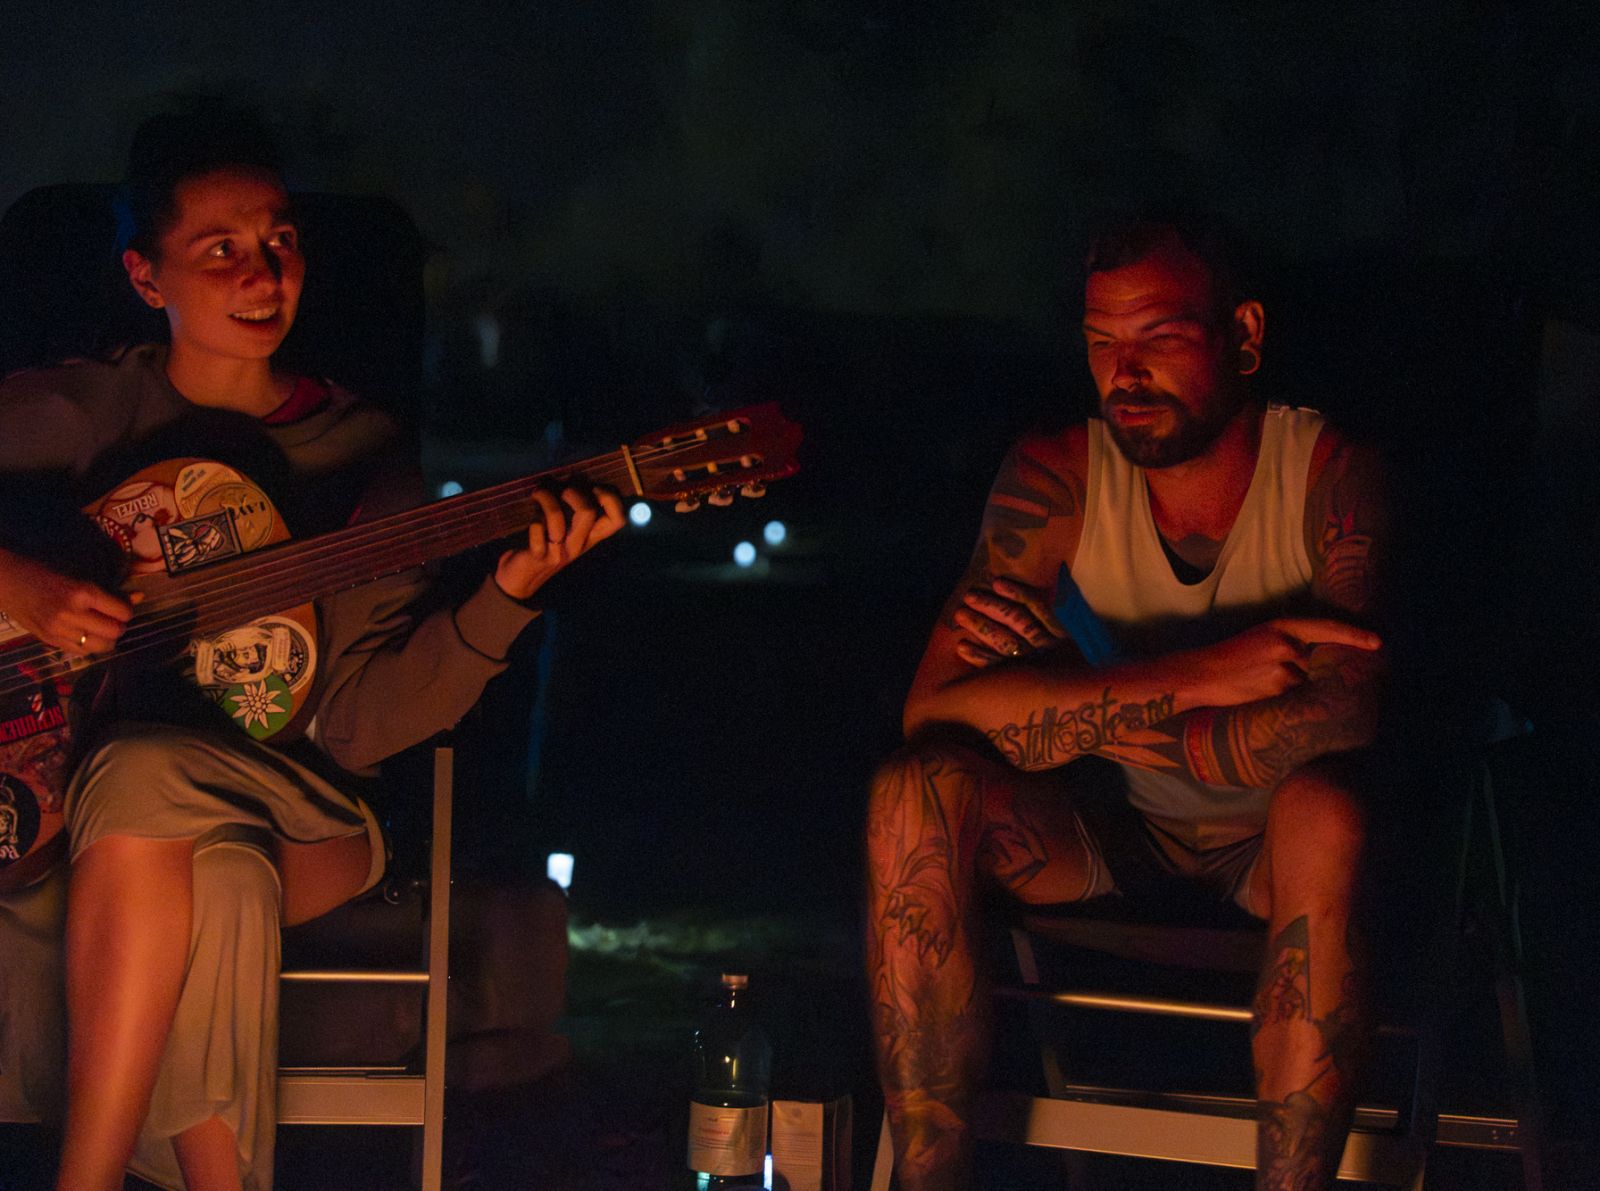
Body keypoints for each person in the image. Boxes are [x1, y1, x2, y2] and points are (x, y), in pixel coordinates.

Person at [0, 107, 624, 1190]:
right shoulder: (78, 409)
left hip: (307, 807)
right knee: (217, 877)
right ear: (147, 277)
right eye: (220, 250)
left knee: (143, 772)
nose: (262, 273)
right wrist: (24, 584)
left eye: (279, 241)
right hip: (90, 816)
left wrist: (510, 593)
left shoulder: (360, 451)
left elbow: (359, 724)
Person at [865, 216, 1387, 1190]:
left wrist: (1072, 707)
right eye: (1102, 341)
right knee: (914, 791)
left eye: (1159, 336)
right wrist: (1198, 675)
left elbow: (1344, 716)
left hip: (1272, 854)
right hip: (1110, 835)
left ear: (1243, 334)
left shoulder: (1330, 474)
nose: (1124, 371)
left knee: (1324, 807)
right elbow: (933, 714)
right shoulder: (1056, 477)